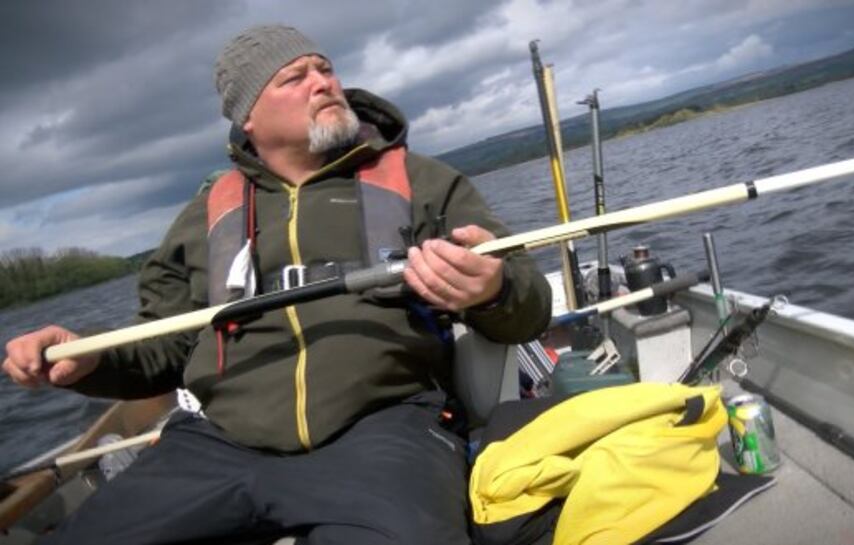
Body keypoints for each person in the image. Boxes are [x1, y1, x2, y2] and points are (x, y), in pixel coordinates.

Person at [3, 24, 551, 545]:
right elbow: (165, 347)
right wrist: (89, 360)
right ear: (249, 120)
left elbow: (529, 308)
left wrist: (493, 289)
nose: (324, 83)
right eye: (294, 77)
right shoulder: (203, 218)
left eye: (326, 69)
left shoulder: (424, 181)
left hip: (383, 430)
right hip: (216, 444)